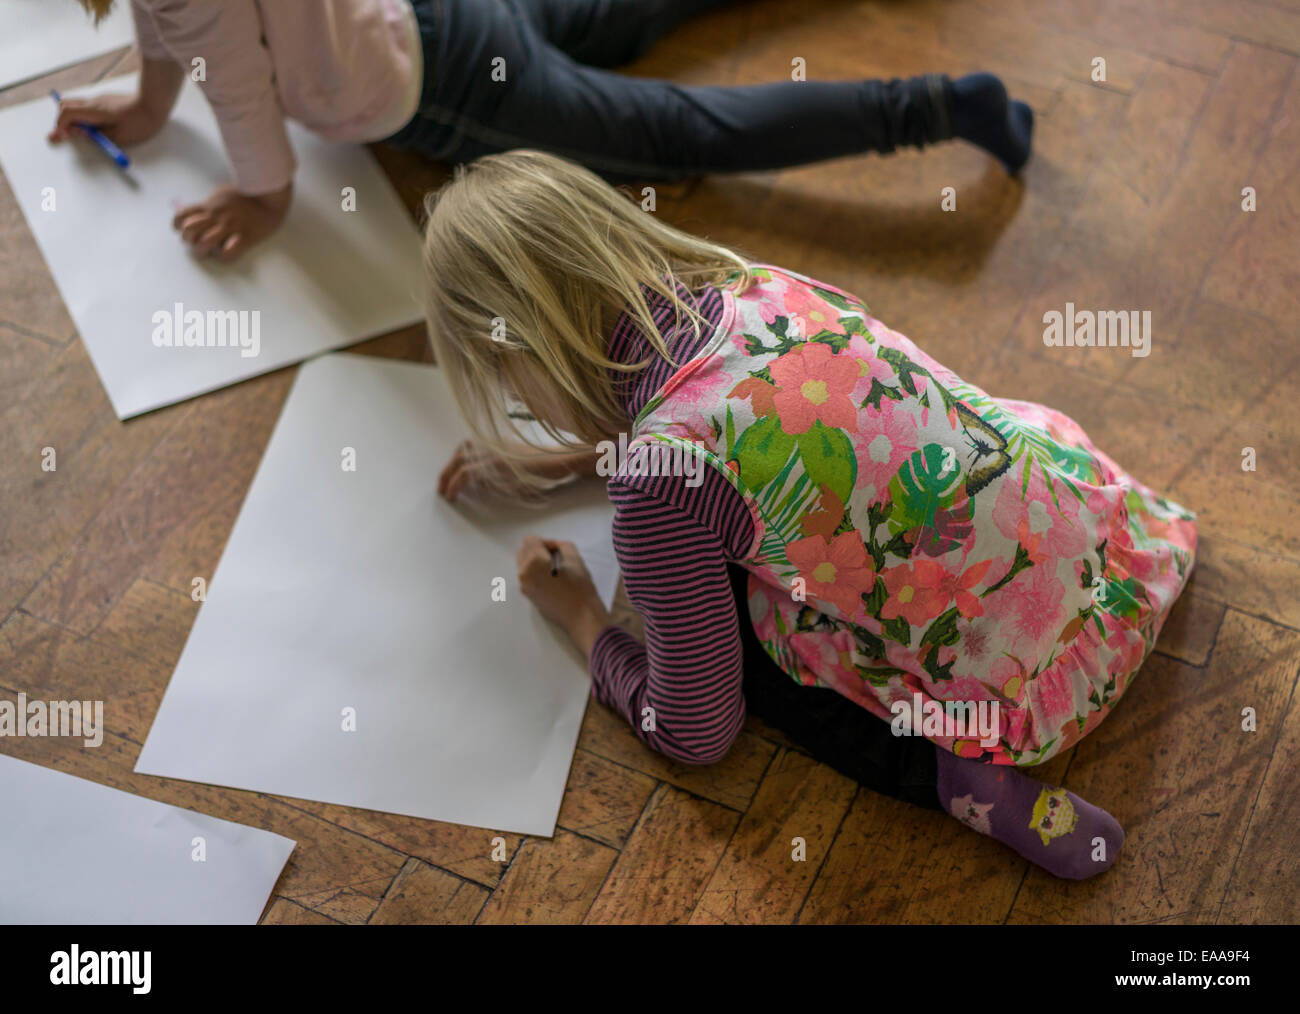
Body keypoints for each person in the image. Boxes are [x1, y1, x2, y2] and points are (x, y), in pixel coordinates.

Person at [428, 150, 1197, 879]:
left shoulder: (654, 489)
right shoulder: (757, 287)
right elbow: (744, 433)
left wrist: (585, 620)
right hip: (1112, 557)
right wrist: (574, 460)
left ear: (517, 356)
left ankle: (957, 778)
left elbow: (698, 734)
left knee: (754, 652)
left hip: (1017, 691)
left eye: (515, 396)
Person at [56, 0, 1033, 260]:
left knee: (674, 138)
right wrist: (146, 108)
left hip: (452, 89)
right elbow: (184, 25)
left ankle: (946, 107)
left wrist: (267, 198)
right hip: (439, 15)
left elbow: (228, 76)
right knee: (628, 10)